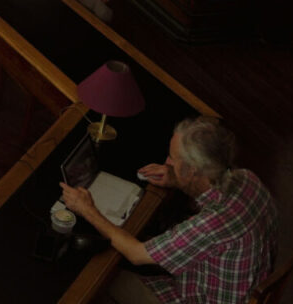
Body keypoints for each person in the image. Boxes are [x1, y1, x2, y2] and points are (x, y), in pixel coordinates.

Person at [58, 117, 278, 304]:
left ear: (192, 171)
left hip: (197, 297)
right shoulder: (248, 178)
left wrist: (88, 210)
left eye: (173, 158)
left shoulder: (210, 224)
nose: (167, 161)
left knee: (107, 280)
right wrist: (177, 178)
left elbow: (136, 254)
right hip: (245, 286)